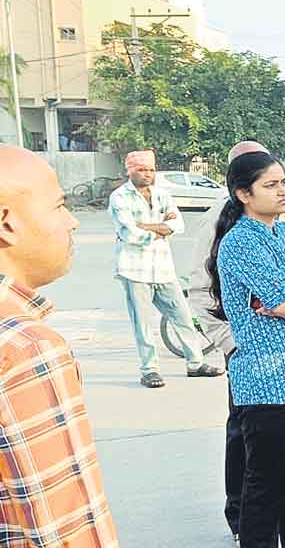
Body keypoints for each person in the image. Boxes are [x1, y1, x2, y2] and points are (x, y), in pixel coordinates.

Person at [187, 142, 285, 544]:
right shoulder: (239, 242)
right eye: (271, 185)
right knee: (266, 485)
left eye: (284, 183)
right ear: (243, 194)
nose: (283, 191)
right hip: (267, 378)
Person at [0, 146, 119, 547]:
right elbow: (65, 529)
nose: (72, 222)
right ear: (6, 223)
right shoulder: (25, 348)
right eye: (59, 206)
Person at [108, 149, 222, 388]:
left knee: (182, 316)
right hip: (134, 269)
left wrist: (148, 226)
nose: (147, 174)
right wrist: (161, 228)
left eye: (151, 169)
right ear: (130, 171)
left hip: (162, 268)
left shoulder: (162, 194)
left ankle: (195, 363)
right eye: (141, 170)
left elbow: (177, 225)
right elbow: (129, 233)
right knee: (143, 322)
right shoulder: (119, 197)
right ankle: (149, 370)